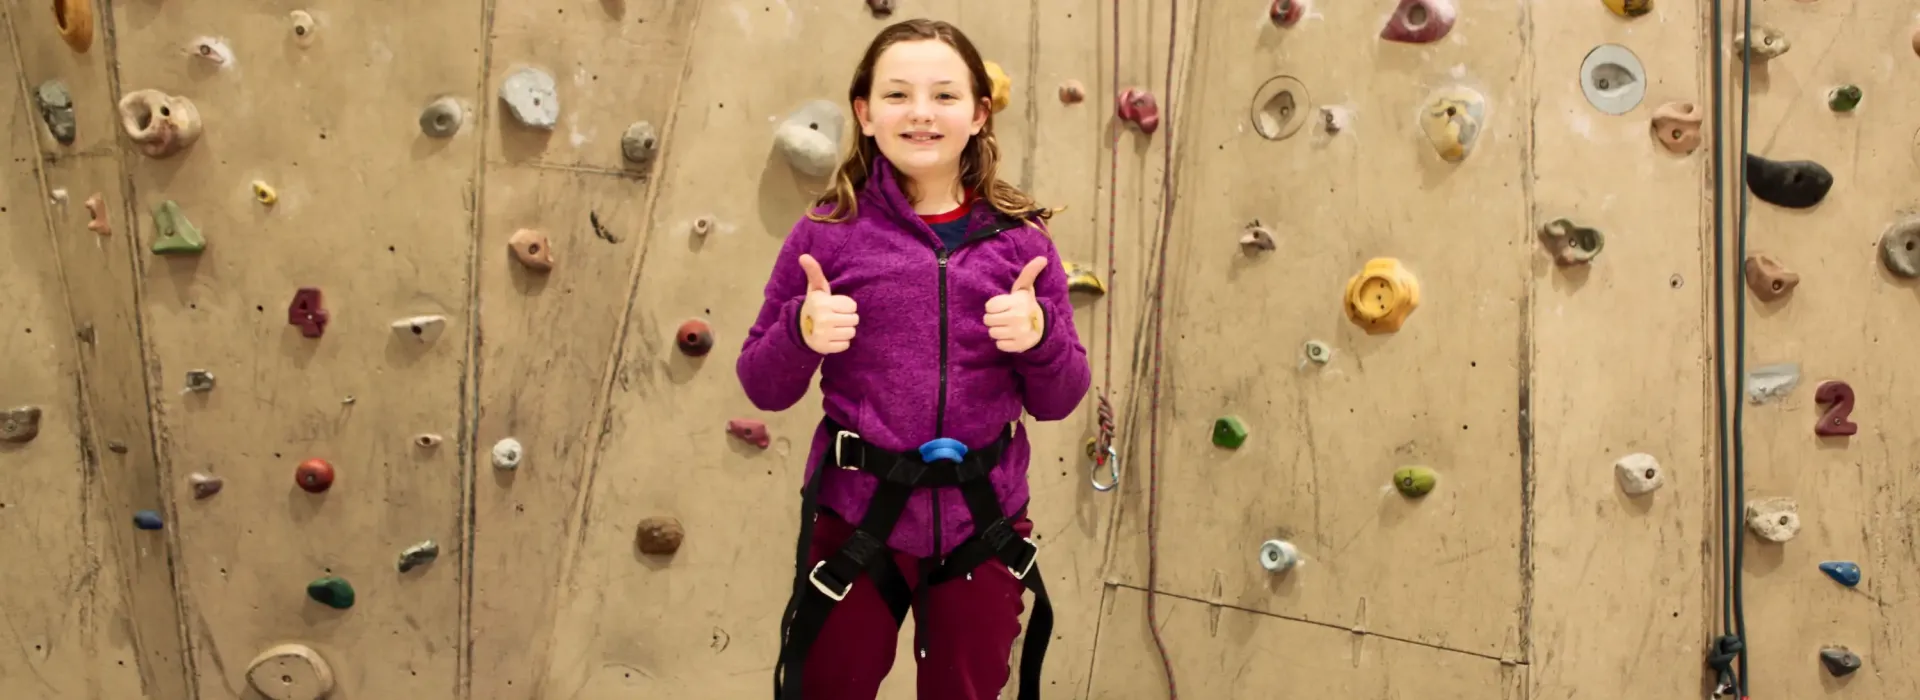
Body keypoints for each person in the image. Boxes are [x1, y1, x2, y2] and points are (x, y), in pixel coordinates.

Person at [735, 17, 1092, 700]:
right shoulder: (828, 233)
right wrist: (800, 330)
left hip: (981, 524)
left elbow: (1059, 398)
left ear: (980, 113)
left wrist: (1041, 337)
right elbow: (762, 383)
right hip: (857, 523)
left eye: (945, 96)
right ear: (865, 115)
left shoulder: (1022, 244)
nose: (921, 113)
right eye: (897, 95)